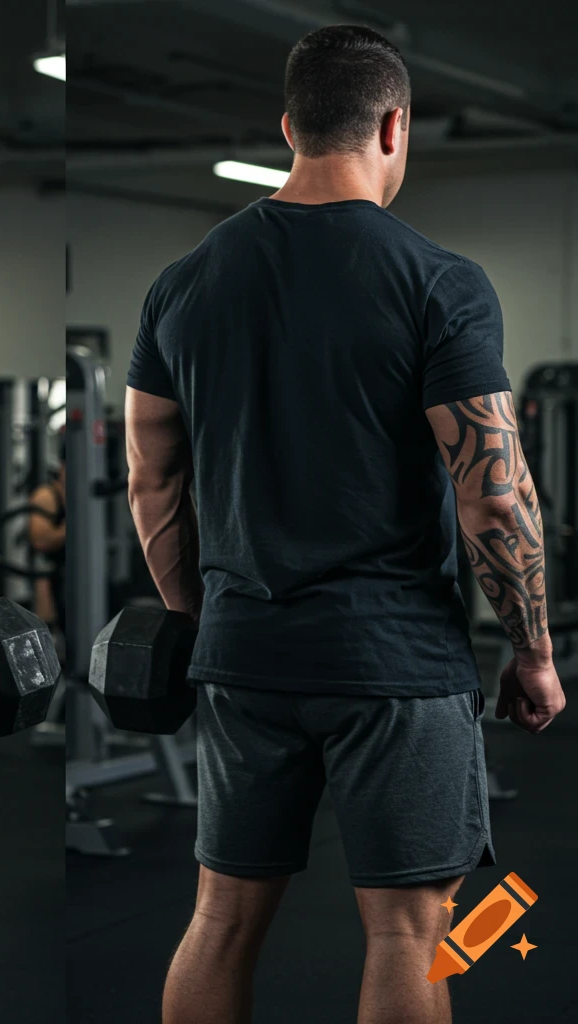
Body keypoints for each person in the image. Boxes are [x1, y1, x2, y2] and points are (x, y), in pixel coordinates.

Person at [124, 24, 566, 1024]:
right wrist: (533, 647)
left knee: (222, 918)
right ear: (393, 125)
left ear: (287, 126)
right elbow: (494, 494)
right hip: (393, 659)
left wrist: (201, 615)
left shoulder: (182, 282)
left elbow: (151, 476)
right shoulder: (438, 280)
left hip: (243, 653)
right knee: (411, 931)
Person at [27, 448, 66, 630]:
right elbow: (41, 541)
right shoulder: (47, 496)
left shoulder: (87, 496)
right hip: (52, 581)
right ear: (62, 467)